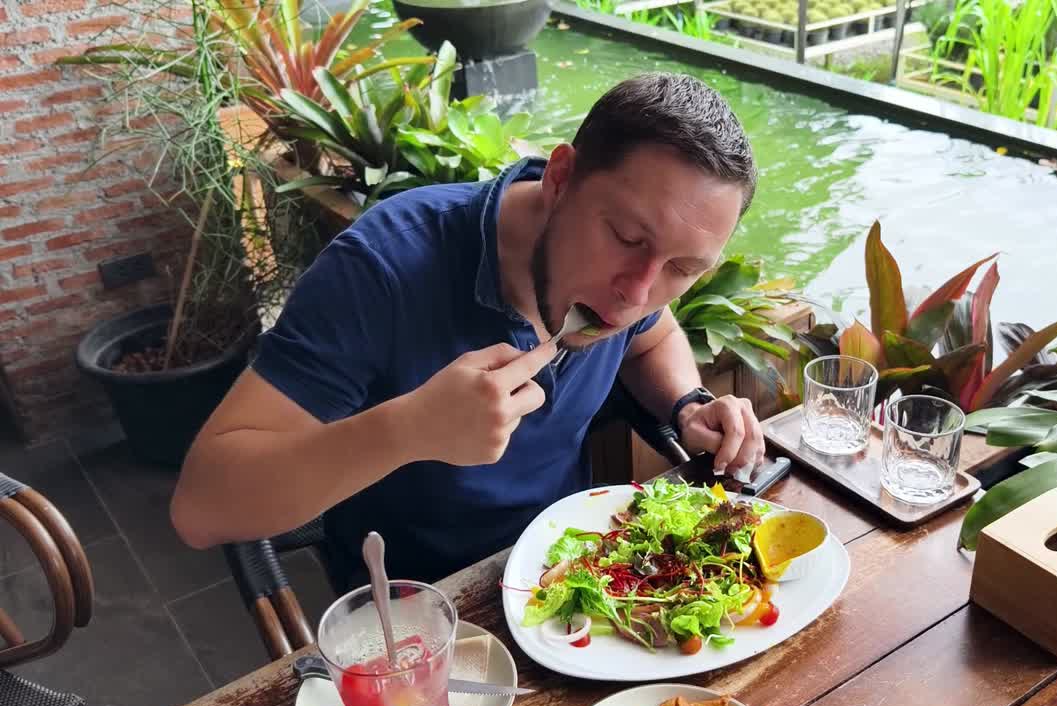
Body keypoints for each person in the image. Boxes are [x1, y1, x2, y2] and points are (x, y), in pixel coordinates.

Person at [170, 72, 766, 591]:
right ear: (560, 179)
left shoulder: (625, 289)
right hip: (421, 608)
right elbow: (201, 507)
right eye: (628, 239)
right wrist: (407, 430)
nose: (637, 293)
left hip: (574, 571)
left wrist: (688, 404)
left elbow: (652, 335)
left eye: (682, 269)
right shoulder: (386, 265)